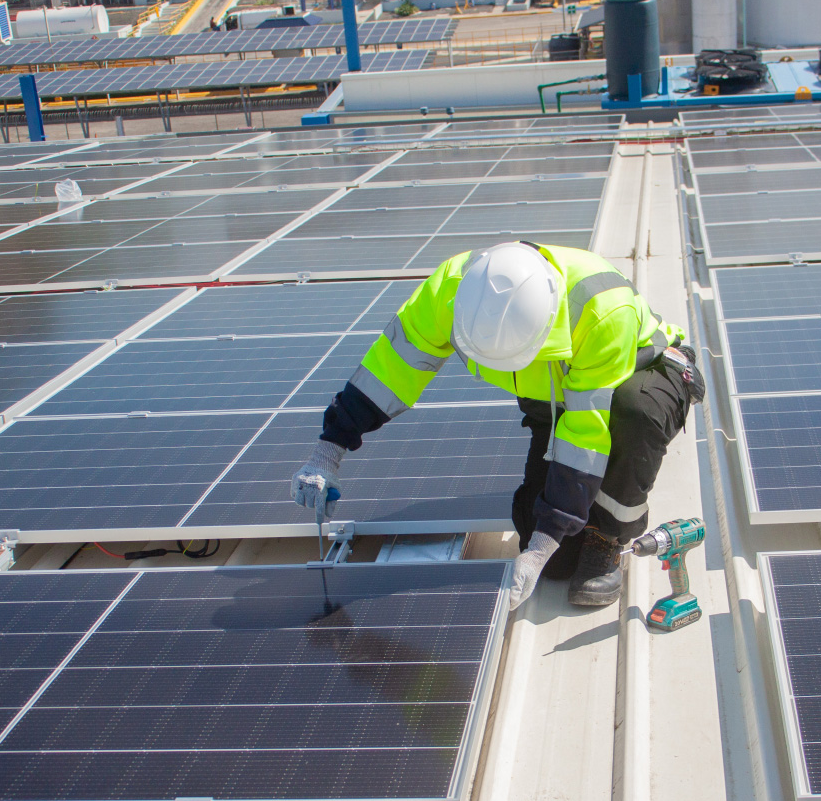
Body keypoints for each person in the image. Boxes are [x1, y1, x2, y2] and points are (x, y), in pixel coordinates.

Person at [291, 242, 704, 611]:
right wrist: (328, 450)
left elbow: (584, 432)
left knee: (633, 413)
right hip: (554, 392)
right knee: (552, 563)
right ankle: (573, 523)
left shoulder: (601, 311)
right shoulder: (450, 290)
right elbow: (390, 371)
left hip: (644, 371)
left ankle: (608, 539)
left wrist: (546, 540)